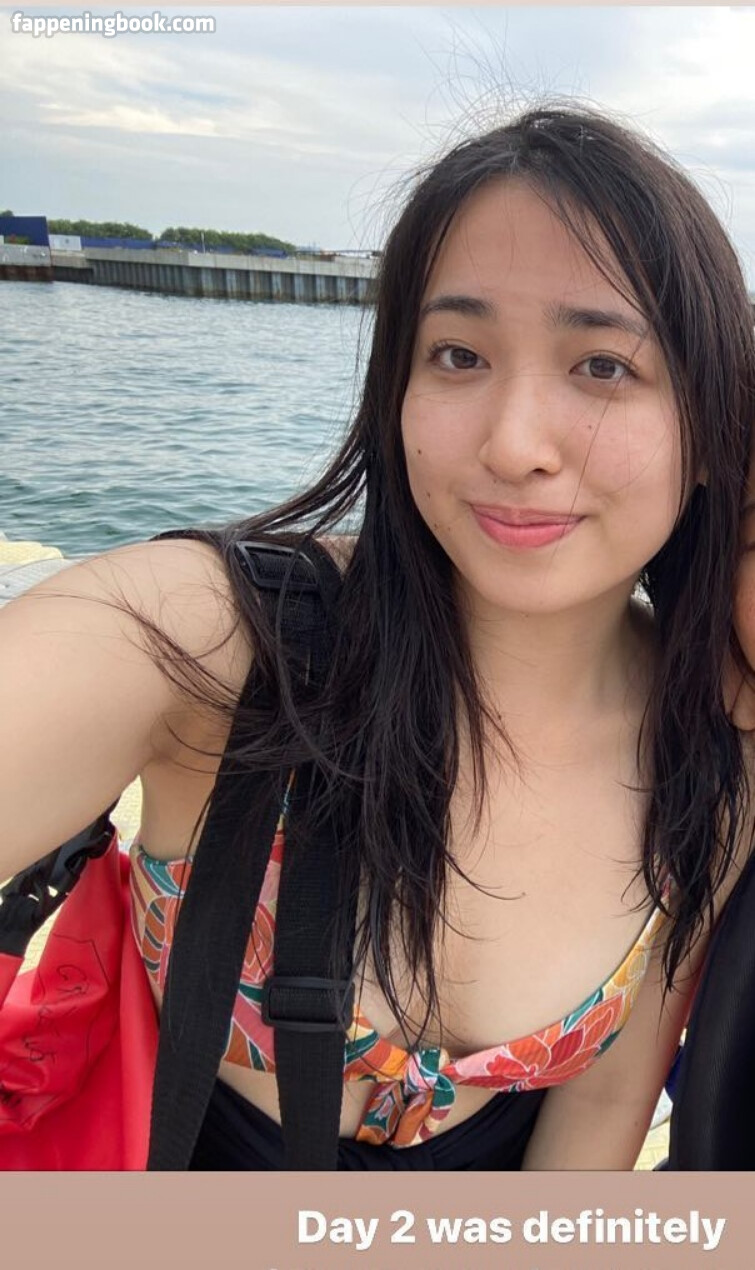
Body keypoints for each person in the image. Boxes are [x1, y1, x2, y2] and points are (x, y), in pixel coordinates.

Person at [2, 104, 754, 1171]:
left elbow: (596, 1113)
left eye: (601, 366)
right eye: (457, 354)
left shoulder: (712, 751)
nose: (514, 445)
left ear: (711, 430)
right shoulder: (217, 641)